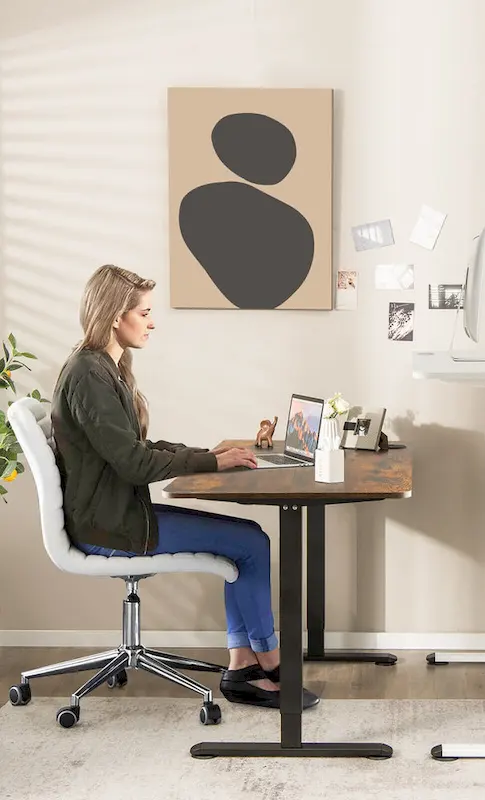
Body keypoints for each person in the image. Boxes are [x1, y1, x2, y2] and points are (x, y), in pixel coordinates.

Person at [51, 264, 319, 711]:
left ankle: (244, 665)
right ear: (116, 315)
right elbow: (135, 463)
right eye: (145, 312)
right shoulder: (89, 375)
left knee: (249, 539)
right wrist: (212, 460)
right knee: (250, 543)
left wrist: (208, 453)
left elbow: (134, 448)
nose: (152, 321)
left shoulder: (100, 368)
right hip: (109, 530)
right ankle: (269, 663)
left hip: (115, 516)